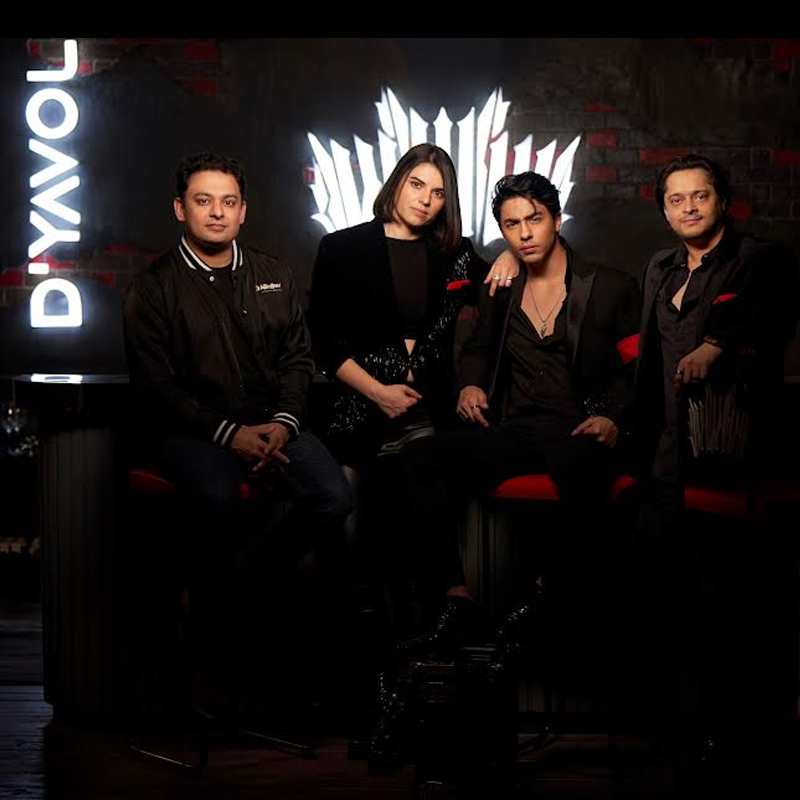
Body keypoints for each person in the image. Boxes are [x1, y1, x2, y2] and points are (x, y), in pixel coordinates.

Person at [398, 170, 641, 657]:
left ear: (557, 220)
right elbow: (477, 349)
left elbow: (637, 369)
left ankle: (547, 597)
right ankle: (457, 599)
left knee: (585, 466)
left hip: (579, 426)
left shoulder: (611, 286)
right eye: (512, 225)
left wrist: (615, 417)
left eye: (535, 219)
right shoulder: (501, 288)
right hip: (517, 427)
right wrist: (469, 384)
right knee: (417, 458)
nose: (525, 233)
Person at [123, 153, 352, 649]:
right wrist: (229, 435)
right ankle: (214, 628)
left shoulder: (275, 274)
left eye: (228, 202)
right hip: (196, 431)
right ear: (180, 208)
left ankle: (233, 582)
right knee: (218, 498)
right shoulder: (153, 287)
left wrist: (284, 424)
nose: (217, 212)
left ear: (243, 211)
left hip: (274, 423)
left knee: (334, 496)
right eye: (204, 201)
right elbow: (155, 388)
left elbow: (298, 360)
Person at [633, 153, 798, 768]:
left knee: (727, 594)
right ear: (664, 210)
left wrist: (716, 344)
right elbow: (645, 355)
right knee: (662, 588)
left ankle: (736, 736)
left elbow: (768, 314)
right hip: (664, 451)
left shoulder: (757, 258)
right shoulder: (660, 266)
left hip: (728, 451)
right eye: (676, 199)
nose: (689, 208)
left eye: (699, 196)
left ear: (722, 200)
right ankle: (679, 731)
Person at [307, 144, 516, 610]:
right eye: (417, 184)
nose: (425, 199)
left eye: (438, 193)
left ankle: (429, 628)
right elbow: (323, 342)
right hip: (354, 412)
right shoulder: (341, 247)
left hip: (424, 412)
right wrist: (378, 393)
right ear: (397, 182)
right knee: (350, 540)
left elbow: (505, 289)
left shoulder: (455, 253)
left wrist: (510, 256)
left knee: (419, 540)